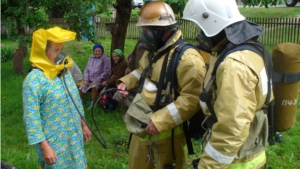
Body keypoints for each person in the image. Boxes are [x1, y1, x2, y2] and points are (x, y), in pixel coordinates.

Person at [117, 1, 206, 169]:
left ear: (160, 31)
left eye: (146, 31)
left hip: (168, 135)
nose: (142, 36)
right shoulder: (153, 50)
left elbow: (191, 100)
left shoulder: (188, 60)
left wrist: (159, 121)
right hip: (141, 124)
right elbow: (142, 71)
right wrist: (125, 82)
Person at [183, 0, 271, 168]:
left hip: (234, 161)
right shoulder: (250, 49)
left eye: (202, 29)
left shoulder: (234, 65)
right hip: (249, 151)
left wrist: (207, 166)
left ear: (214, 24)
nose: (200, 36)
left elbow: (231, 129)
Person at [22, 27, 92, 169]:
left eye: (61, 50)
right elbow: (31, 119)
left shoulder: (63, 72)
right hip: (53, 143)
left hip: (74, 136)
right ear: (43, 52)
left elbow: (76, 100)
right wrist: (44, 146)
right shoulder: (33, 81)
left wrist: (84, 124)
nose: (61, 55)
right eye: (56, 51)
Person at [79, 44, 111, 109]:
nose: (97, 53)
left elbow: (107, 72)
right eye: (96, 51)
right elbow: (87, 69)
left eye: (99, 51)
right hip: (90, 78)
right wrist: (86, 79)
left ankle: (92, 104)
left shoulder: (106, 59)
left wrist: (98, 79)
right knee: (82, 87)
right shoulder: (91, 57)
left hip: (100, 80)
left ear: (102, 51)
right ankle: (81, 102)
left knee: (94, 86)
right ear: (94, 51)